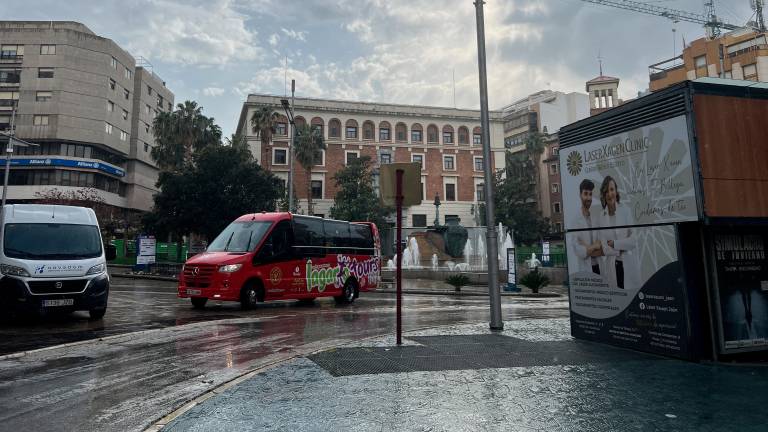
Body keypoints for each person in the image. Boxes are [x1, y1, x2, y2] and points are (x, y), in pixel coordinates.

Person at [597, 175, 636, 289]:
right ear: (603, 195)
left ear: (616, 191)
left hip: (628, 264)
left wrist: (614, 244)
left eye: (612, 189)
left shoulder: (625, 211)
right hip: (611, 267)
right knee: (617, 300)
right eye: (606, 191)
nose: (610, 194)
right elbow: (604, 247)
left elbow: (633, 241)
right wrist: (623, 247)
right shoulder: (601, 216)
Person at [568, 179, 602, 275]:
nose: (588, 197)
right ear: (580, 195)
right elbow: (579, 251)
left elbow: (601, 245)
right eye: (585, 194)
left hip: (599, 267)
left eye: (590, 194)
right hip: (586, 270)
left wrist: (587, 247)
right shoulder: (575, 221)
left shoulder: (595, 219)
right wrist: (594, 246)